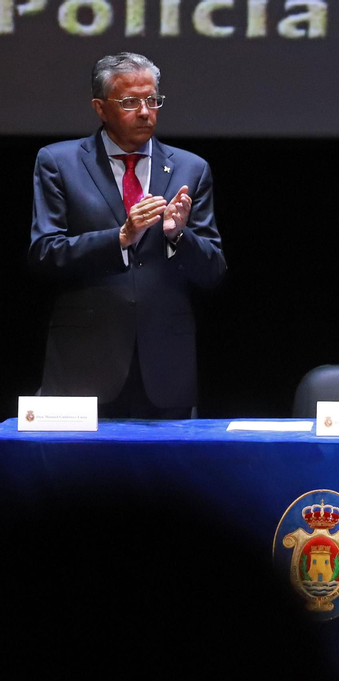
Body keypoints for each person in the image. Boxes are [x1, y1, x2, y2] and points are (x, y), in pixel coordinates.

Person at [28, 52, 225, 418]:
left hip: (166, 370)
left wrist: (179, 236)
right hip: (83, 367)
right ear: (100, 108)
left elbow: (213, 270)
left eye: (152, 100)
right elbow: (44, 253)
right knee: (77, 476)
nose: (146, 111)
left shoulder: (190, 168)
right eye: (130, 102)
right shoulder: (58, 162)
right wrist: (120, 237)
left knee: (167, 476)